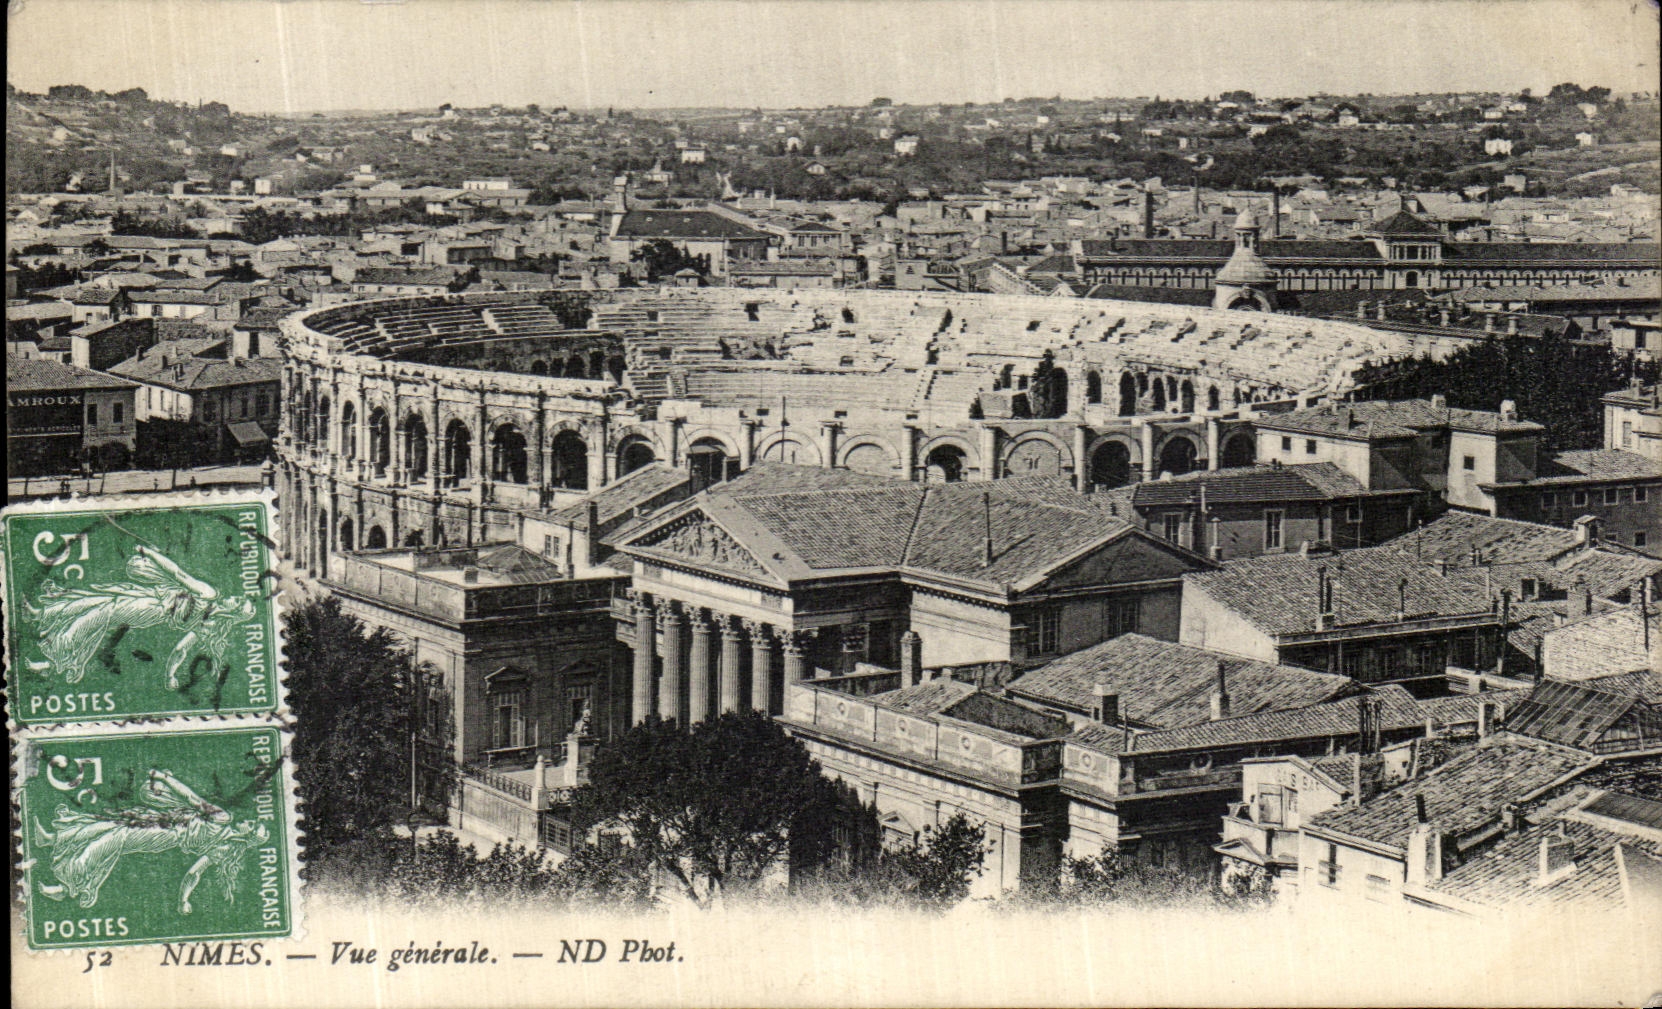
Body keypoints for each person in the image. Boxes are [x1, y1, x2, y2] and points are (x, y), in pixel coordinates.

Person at [33, 769, 270, 914]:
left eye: (251, 825)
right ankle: (52, 839)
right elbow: (190, 805)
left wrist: (165, 778)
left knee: (115, 838)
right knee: (112, 825)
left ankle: (66, 886)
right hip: (163, 819)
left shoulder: (223, 829)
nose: (248, 820)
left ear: (247, 835)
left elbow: (193, 799)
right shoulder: (224, 833)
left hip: (166, 835)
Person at [24, 544, 256, 687]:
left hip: (154, 608)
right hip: (153, 597)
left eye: (237, 601)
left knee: (102, 611)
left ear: (233, 611)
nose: (233, 597)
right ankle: (41, 614)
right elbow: (180, 651)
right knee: (100, 599)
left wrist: (150, 553)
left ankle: (52, 660)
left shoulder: (209, 595)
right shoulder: (209, 627)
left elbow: (178, 574)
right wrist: (170, 676)